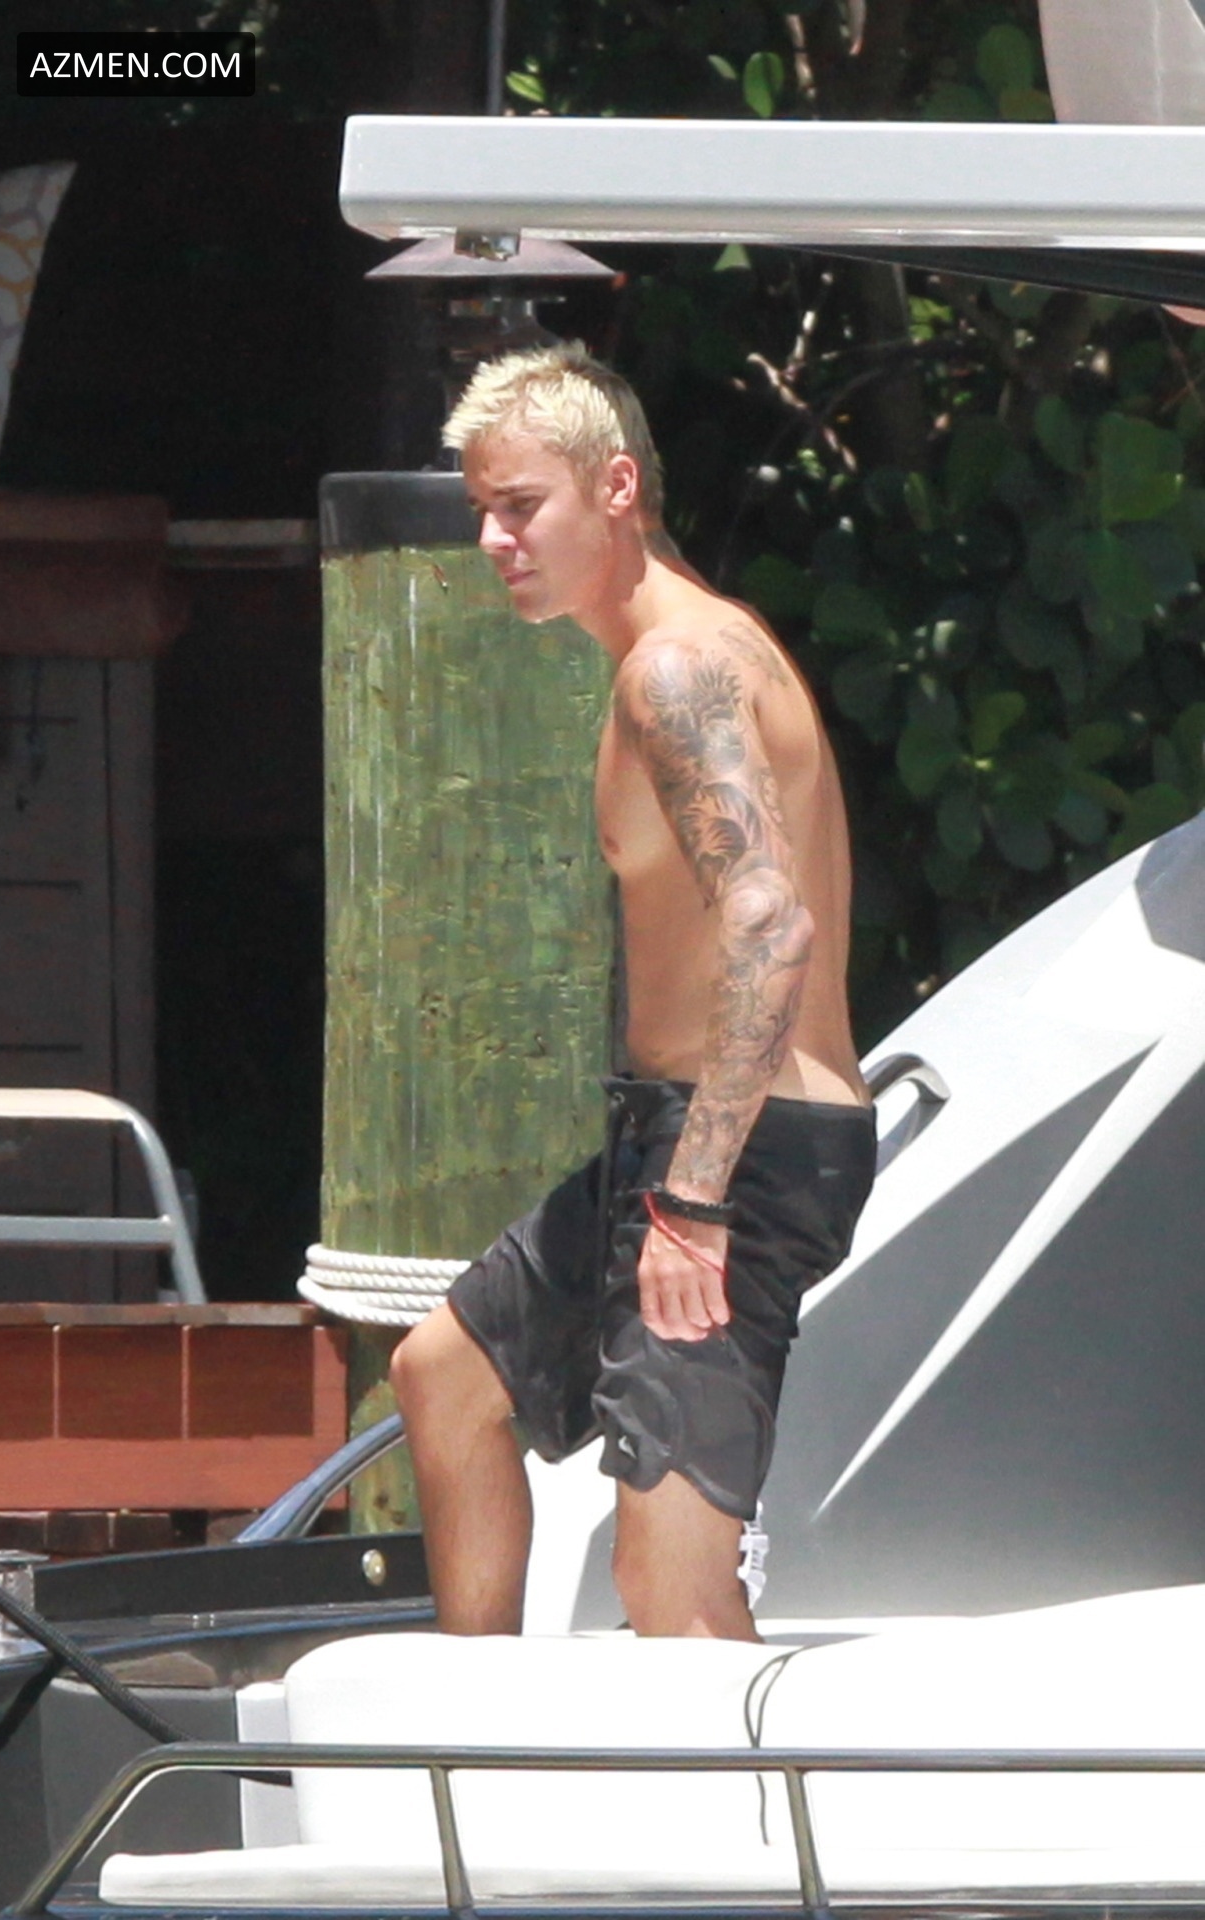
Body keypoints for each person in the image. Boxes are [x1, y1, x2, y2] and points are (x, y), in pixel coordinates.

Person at [390, 341, 875, 1641]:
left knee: (667, 1583)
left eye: (519, 505)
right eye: (480, 509)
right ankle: (475, 1737)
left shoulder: (676, 672)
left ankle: (752, 1779)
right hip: (673, 1136)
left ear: (614, 488)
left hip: (742, 1150)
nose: (492, 540)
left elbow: (768, 925)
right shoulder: (679, 654)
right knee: (446, 1376)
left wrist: (695, 1199)